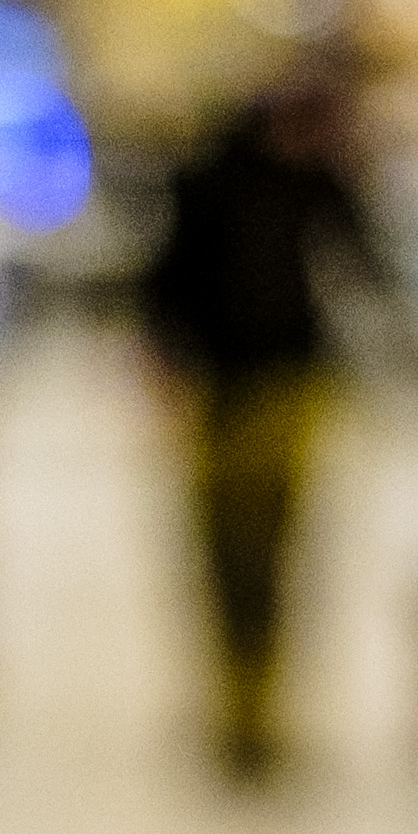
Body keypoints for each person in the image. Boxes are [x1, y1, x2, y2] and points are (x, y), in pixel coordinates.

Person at [136, 67, 381, 780]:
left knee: (274, 549)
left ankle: (259, 709)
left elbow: (365, 262)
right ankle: (234, 705)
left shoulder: (319, 182)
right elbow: (167, 284)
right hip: (221, 391)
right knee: (226, 553)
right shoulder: (210, 182)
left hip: (293, 386)